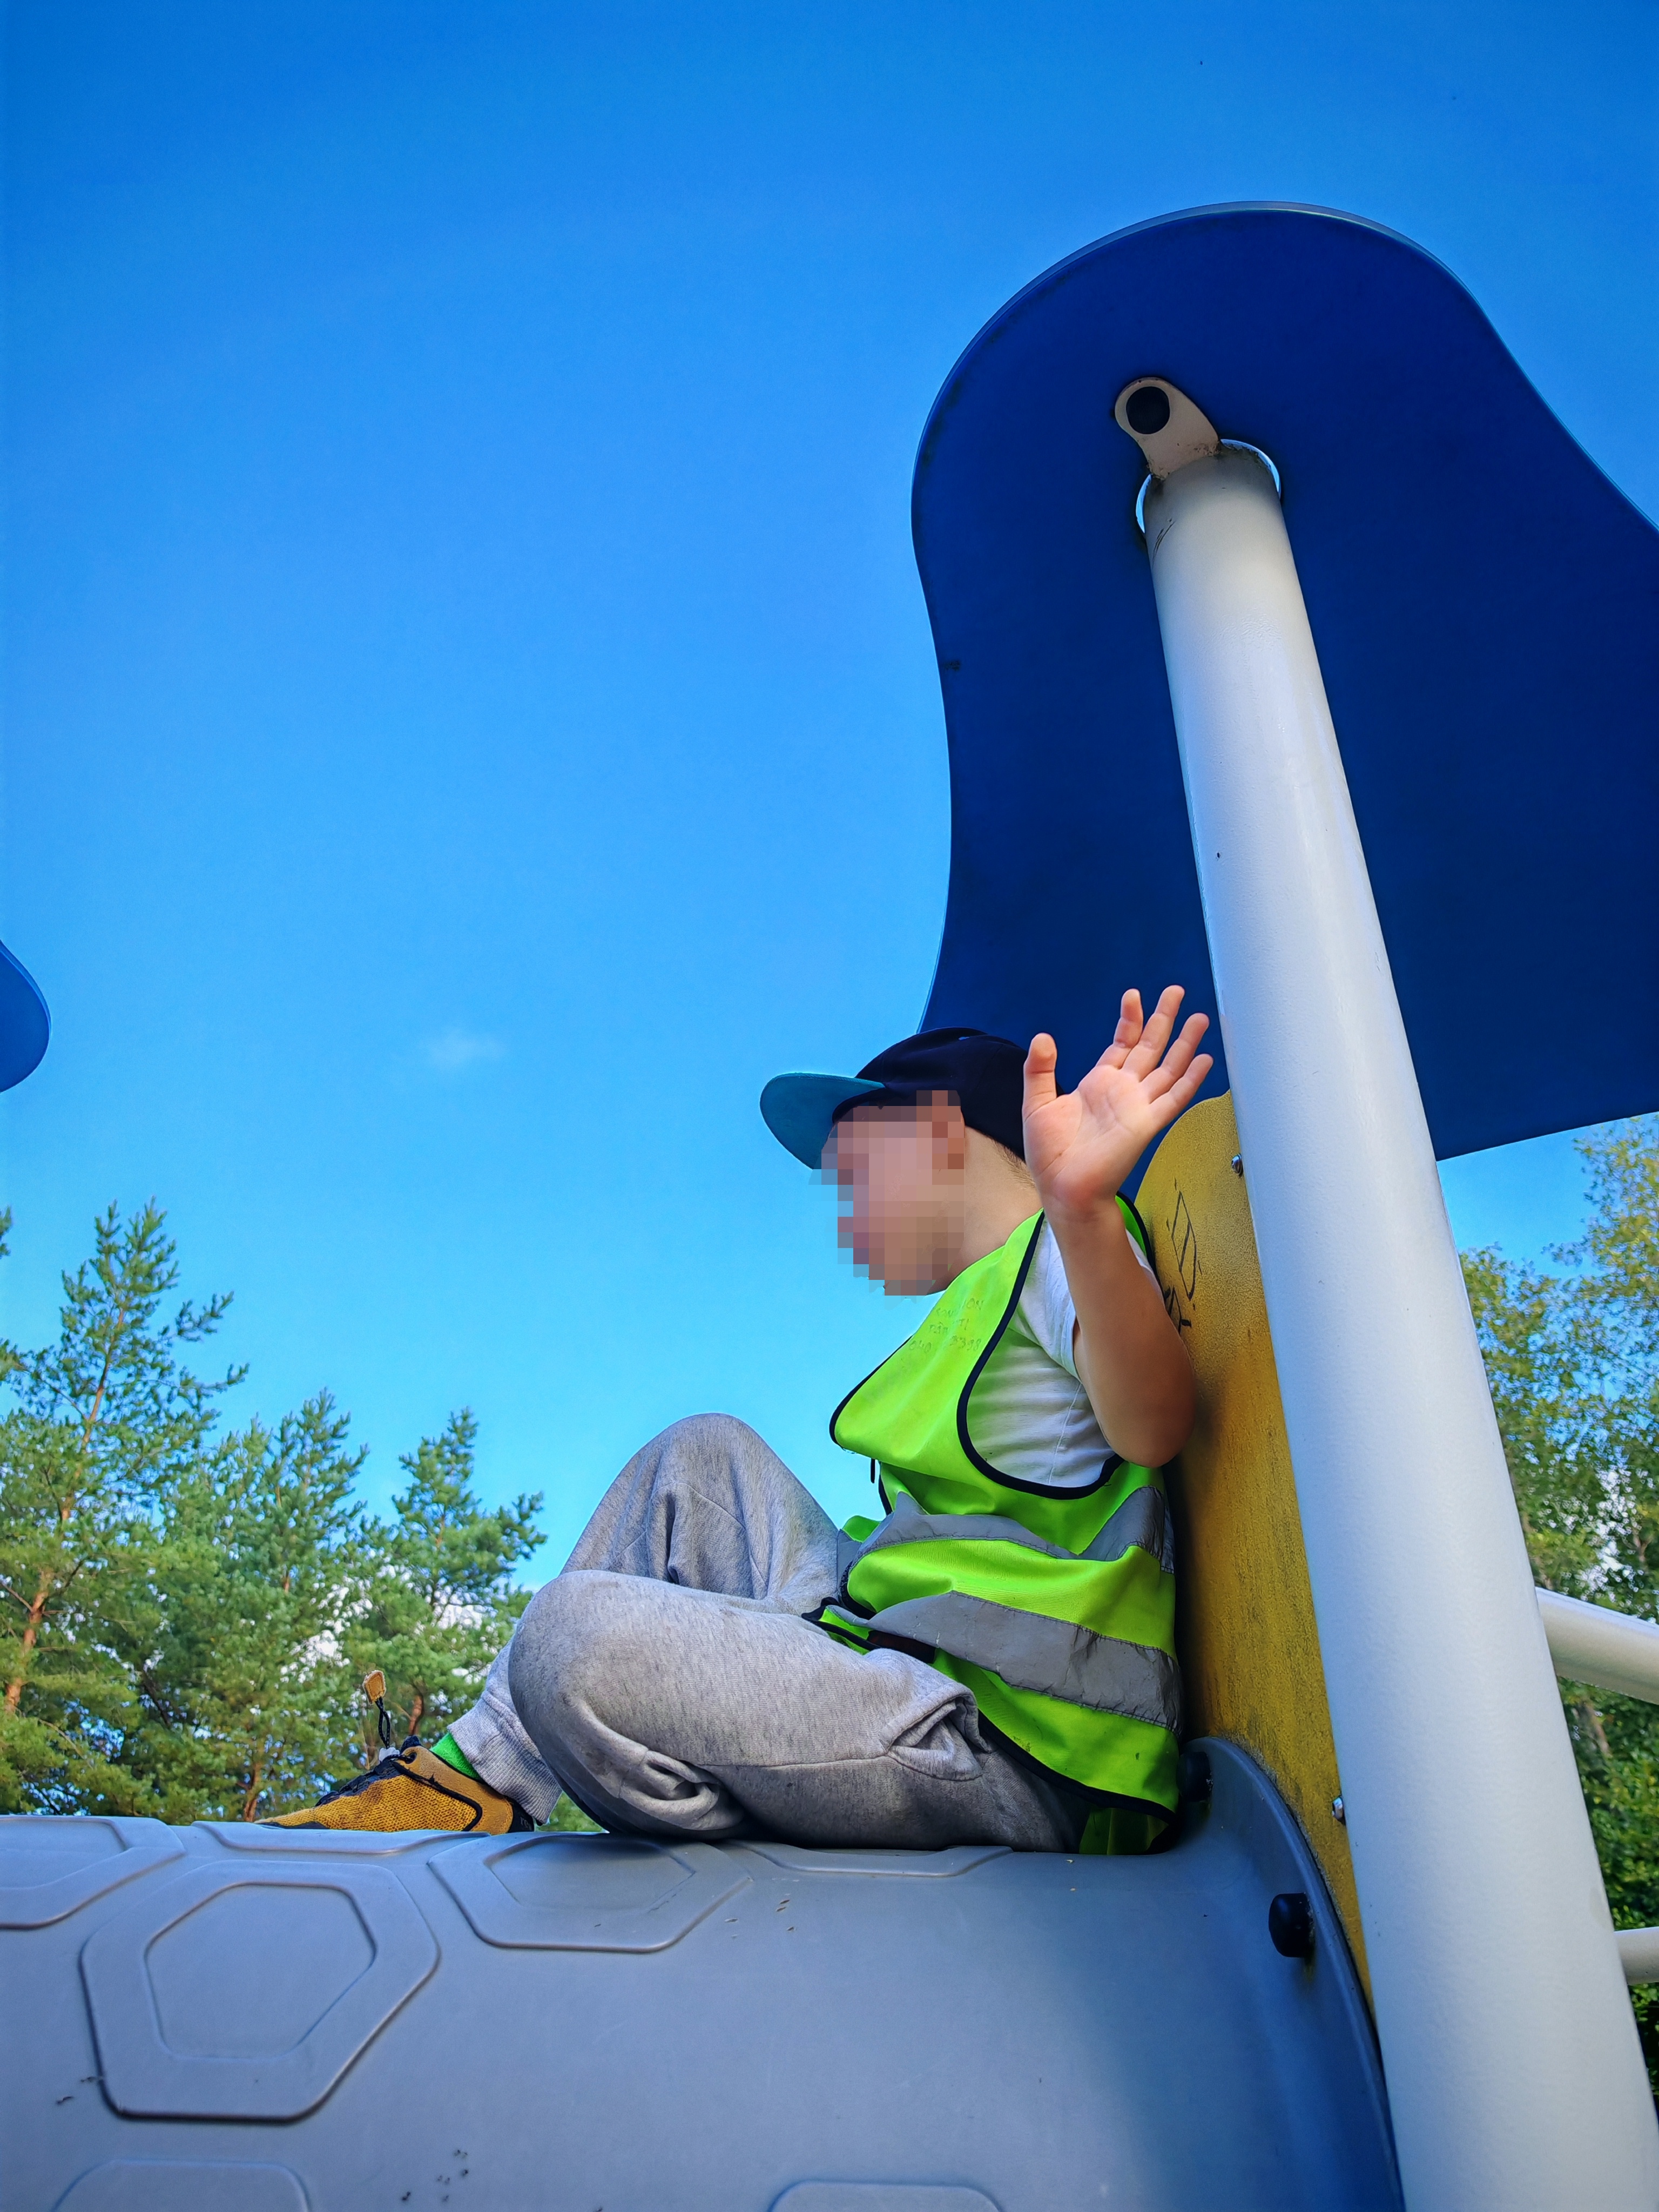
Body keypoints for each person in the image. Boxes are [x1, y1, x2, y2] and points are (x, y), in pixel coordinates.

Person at [269, 987, 1212, 1852]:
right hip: (895, 1663)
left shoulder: (1067, 1249)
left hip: (1007, 1747)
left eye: (853, 1175)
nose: (843, 1218)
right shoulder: (982, 1301)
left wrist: (1083, 1210)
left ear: (936, 1135)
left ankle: (723, 1794)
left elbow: (1153, 1424)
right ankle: (475, 1780)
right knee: (702, 1453)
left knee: (570, 1635)